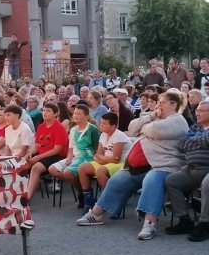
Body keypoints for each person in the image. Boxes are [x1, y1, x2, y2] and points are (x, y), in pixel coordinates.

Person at [77, 91, 189, 241]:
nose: (158, 106)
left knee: (152, 181)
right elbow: (132, 127)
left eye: (162, 103)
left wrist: (147, 126)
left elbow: (153, 130)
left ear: (173, 105)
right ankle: (96, 214)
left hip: (165, 165)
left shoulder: (178, 121)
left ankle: (149, 223)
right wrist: (150, 117)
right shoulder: (155, 118)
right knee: (118, 178)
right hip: (145, 165)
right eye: (158, 103)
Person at [165, 100, 209, 241]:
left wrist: (195, 141)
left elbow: (203, 141)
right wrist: (200, 141)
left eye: (201, 110)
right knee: (171, 181)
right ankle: (185, 220)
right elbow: (183, 143)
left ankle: (205, 223)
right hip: (192, 169)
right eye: (197, 110)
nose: (197, 113)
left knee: (207, 184)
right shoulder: (196, 126)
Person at [78, 112, 131, 212]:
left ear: (113, 126)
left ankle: (109, 200)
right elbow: (98, 154)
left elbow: (116, 159)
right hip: (107, 162)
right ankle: (88, 200)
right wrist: (102, 159)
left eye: (104, 124)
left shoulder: (119, 136)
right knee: (82, 168)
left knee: (100, 171)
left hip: (122, 164)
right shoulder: (103, 134)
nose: (101, 125)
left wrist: (102, 159)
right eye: (101, 122)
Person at [49, 104, 100, 206]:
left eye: (78, 114)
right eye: (75, 113)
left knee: (68, 172)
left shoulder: (93, 130)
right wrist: (68, 158)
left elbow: (97, 150)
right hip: (75, 158)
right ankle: (83, 191)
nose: (75, 115)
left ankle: (83, 194)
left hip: (89, 158)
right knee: (52, 169)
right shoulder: (73, 130)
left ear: (86, 116)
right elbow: (70, 149)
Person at [25, 103, 69, 200]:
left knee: (36, 167)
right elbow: (36, 145)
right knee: (23, 164)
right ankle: (20, 193)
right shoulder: (41, 127)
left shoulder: (59, 127)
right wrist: (31, 153)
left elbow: (57, 150)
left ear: (56, 114)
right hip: (43, 155)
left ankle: (27, 198)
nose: (45, 113)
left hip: (57, 156)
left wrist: (38, 157)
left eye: (48, 111)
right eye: (44, 110)